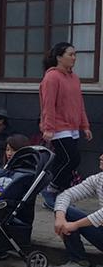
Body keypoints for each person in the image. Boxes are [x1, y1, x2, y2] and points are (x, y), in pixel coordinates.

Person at [39, 42, 92, 209]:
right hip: (58, 127)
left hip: (73, 127)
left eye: (75, 54)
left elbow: (79, 103)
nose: (74, 58)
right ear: (59, 57)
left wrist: (85, 126)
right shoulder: (52, 77)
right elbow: (48, 105)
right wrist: (48, 128)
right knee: (72, 159)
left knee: (63, 162)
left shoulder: (74, 78)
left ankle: (60, 199)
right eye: (70, 54)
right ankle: (51, 190)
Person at [51, 153, 103, 267]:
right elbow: (66, 194)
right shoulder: (99, 178)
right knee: (66, 211)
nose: (100, 157)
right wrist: (60, 218)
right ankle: (79, 262)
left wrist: (76, 225)